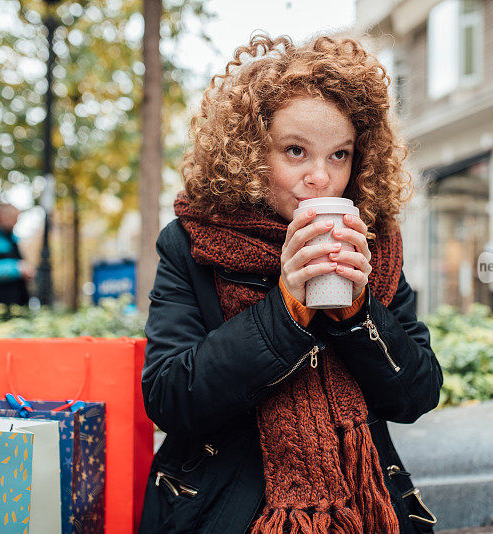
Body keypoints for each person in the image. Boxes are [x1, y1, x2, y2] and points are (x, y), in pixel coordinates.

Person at [140, 34, 443, 533]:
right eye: (296, 151)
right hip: (226, 511)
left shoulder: (377, 247)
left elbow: (417, 395)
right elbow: (171, 398)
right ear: (251, 153)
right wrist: (285, 311)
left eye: (339, 155)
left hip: (365, 510)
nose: (320, 177)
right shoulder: (193, 242)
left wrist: (358, 312)